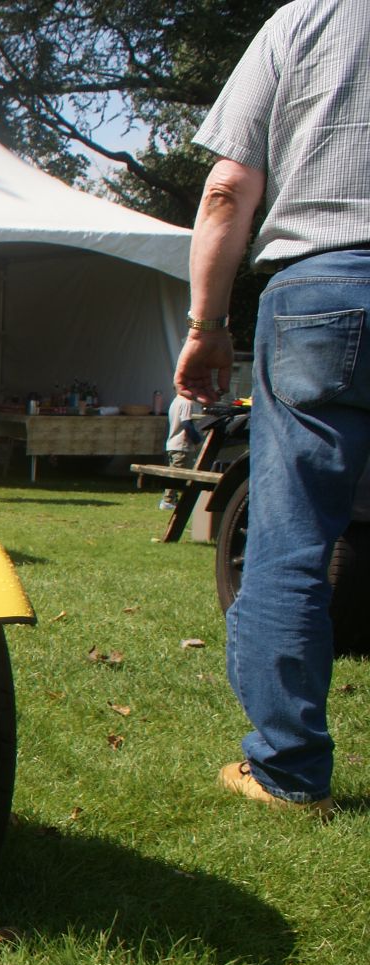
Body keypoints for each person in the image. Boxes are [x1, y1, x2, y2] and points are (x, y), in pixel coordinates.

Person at [174, 0, 370, 821]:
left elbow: (226, 190)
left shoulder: (308, 19)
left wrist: (207, 326)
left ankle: (289, 771)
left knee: (291, 540)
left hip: (323, 285)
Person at [159, 393, 202, 511]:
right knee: (177, 474)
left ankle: (172, 499)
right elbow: (187, 424)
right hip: (182, 444)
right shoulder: (186, 403)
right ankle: (168, 500)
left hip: (173, 443)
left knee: (173, 471)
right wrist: (198, 440)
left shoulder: (175, 400)